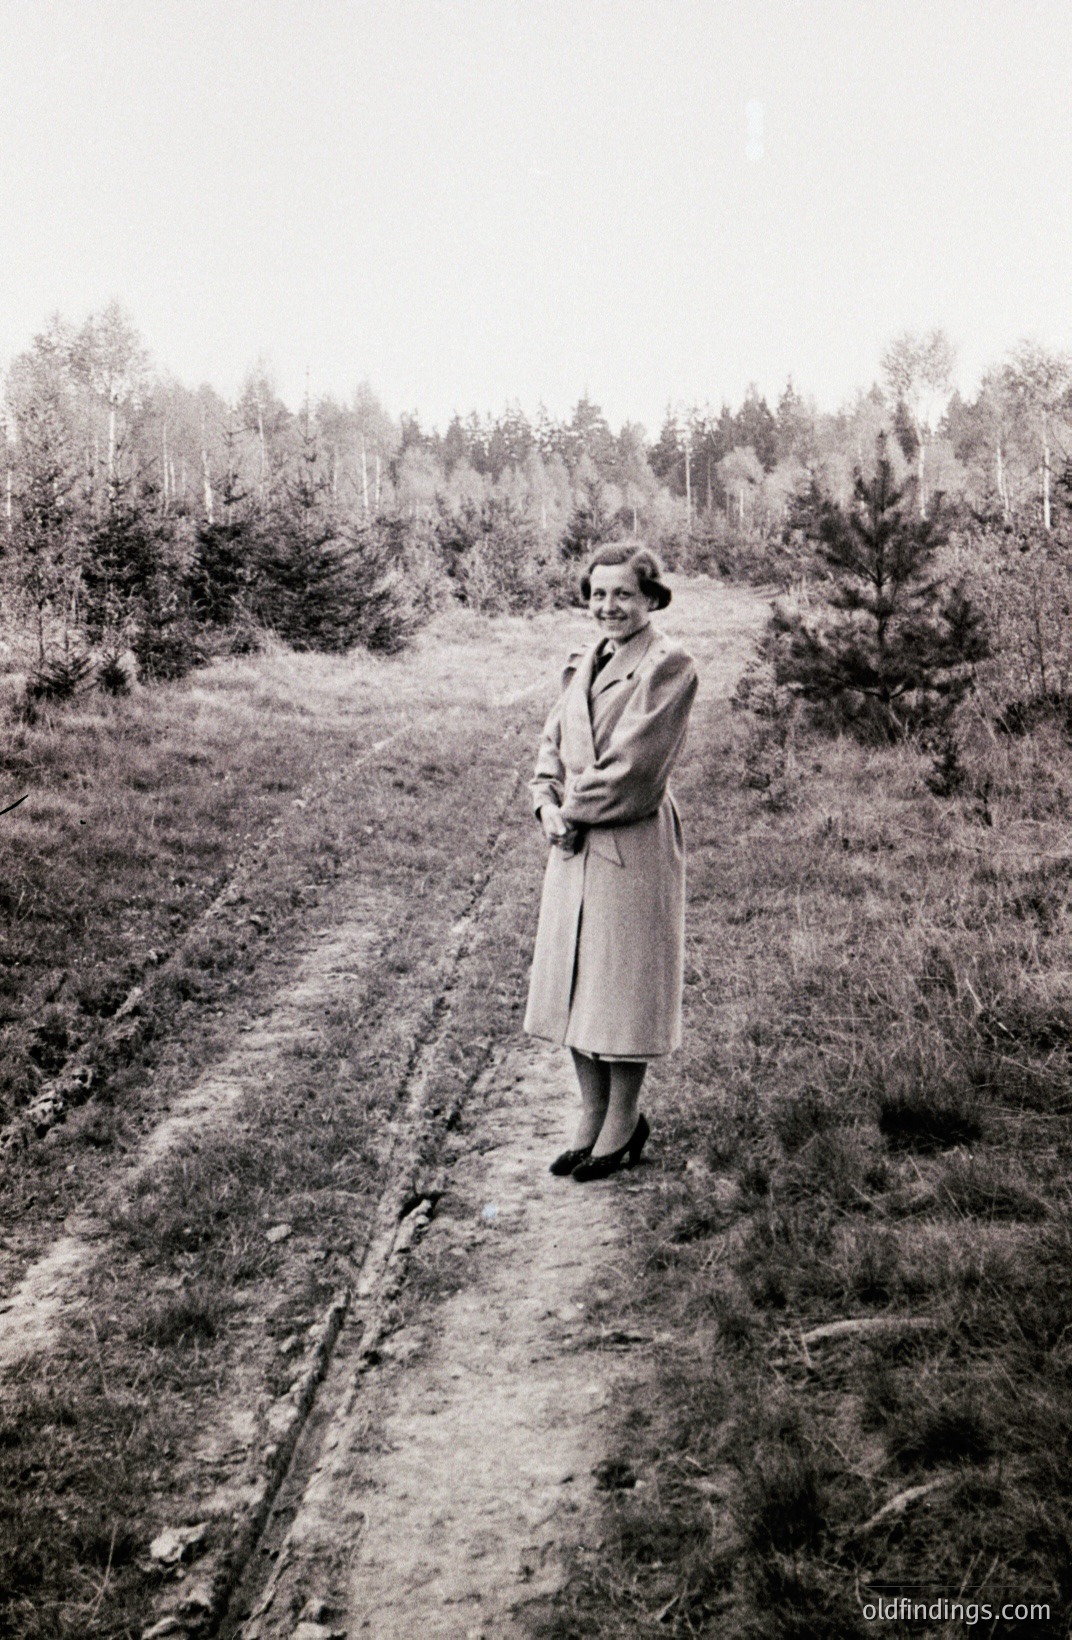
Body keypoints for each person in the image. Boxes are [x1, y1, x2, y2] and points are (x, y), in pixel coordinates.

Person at [523, 543, 698, 1181]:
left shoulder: (669, 666)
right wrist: (546, 809)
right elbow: (550, 749)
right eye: (598, 594)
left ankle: (624, 1121)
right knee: (576, 985)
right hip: (571, 843)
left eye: (622, 593)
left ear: (651, 597)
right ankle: (590, 1116)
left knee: (621, 990)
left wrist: (571, 810)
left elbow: (636, 769)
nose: (608, 606)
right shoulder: (580, 663)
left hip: (630, 841)